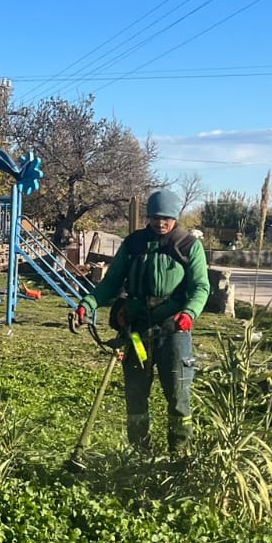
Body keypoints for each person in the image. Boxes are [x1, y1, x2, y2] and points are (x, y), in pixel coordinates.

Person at [73, 190, 210, 453]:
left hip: (173, 329)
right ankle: (139, 452)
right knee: (136, 395)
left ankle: (179, 455)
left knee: (178, 396)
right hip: (136, 331)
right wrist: (87, 304)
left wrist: (190, 313)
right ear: (148, 217)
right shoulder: (134, 244)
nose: (160, 223)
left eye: (166, 218)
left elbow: (201, 287)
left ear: (175, 218)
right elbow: (111, 283)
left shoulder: (188, 245)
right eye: (155, 217)